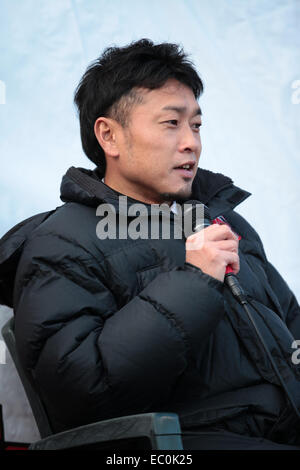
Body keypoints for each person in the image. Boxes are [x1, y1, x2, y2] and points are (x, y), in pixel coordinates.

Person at [1, 38, 300, 450]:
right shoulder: (61, 243)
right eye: (171, 123)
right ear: (109, 136)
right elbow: (82, 393)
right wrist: (194, 282)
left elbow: (291, 328)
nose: (191, 142)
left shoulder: (222, 221)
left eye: (196, 124)